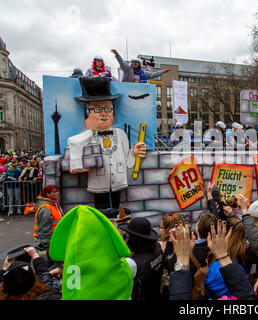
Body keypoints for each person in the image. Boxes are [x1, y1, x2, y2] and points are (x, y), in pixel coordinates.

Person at [67, 77, 146, 209]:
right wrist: (79, 165)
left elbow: (128, 162)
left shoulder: (120, 134)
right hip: (98, 183)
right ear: (88, 112)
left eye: (108, 109)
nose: (104, 114)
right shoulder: (88, 136)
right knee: (101, 208)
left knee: (117, 207)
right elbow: (73, 143)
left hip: (119, 182)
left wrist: (134, 152)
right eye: (98, 109)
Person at [118, 217, 163, 300]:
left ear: (133, 239)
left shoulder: (131, 264)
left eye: (125, 236)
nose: (124, 241)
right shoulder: (158, 248)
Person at [33, 185, 64, 254]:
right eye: (54, 192)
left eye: (57, 191)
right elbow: (44, 229)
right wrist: (47, 245)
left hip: (54, 240)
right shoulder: (45, 208)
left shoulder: (53, 204)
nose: (57, 193)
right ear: (47, 194)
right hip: (50, 242)